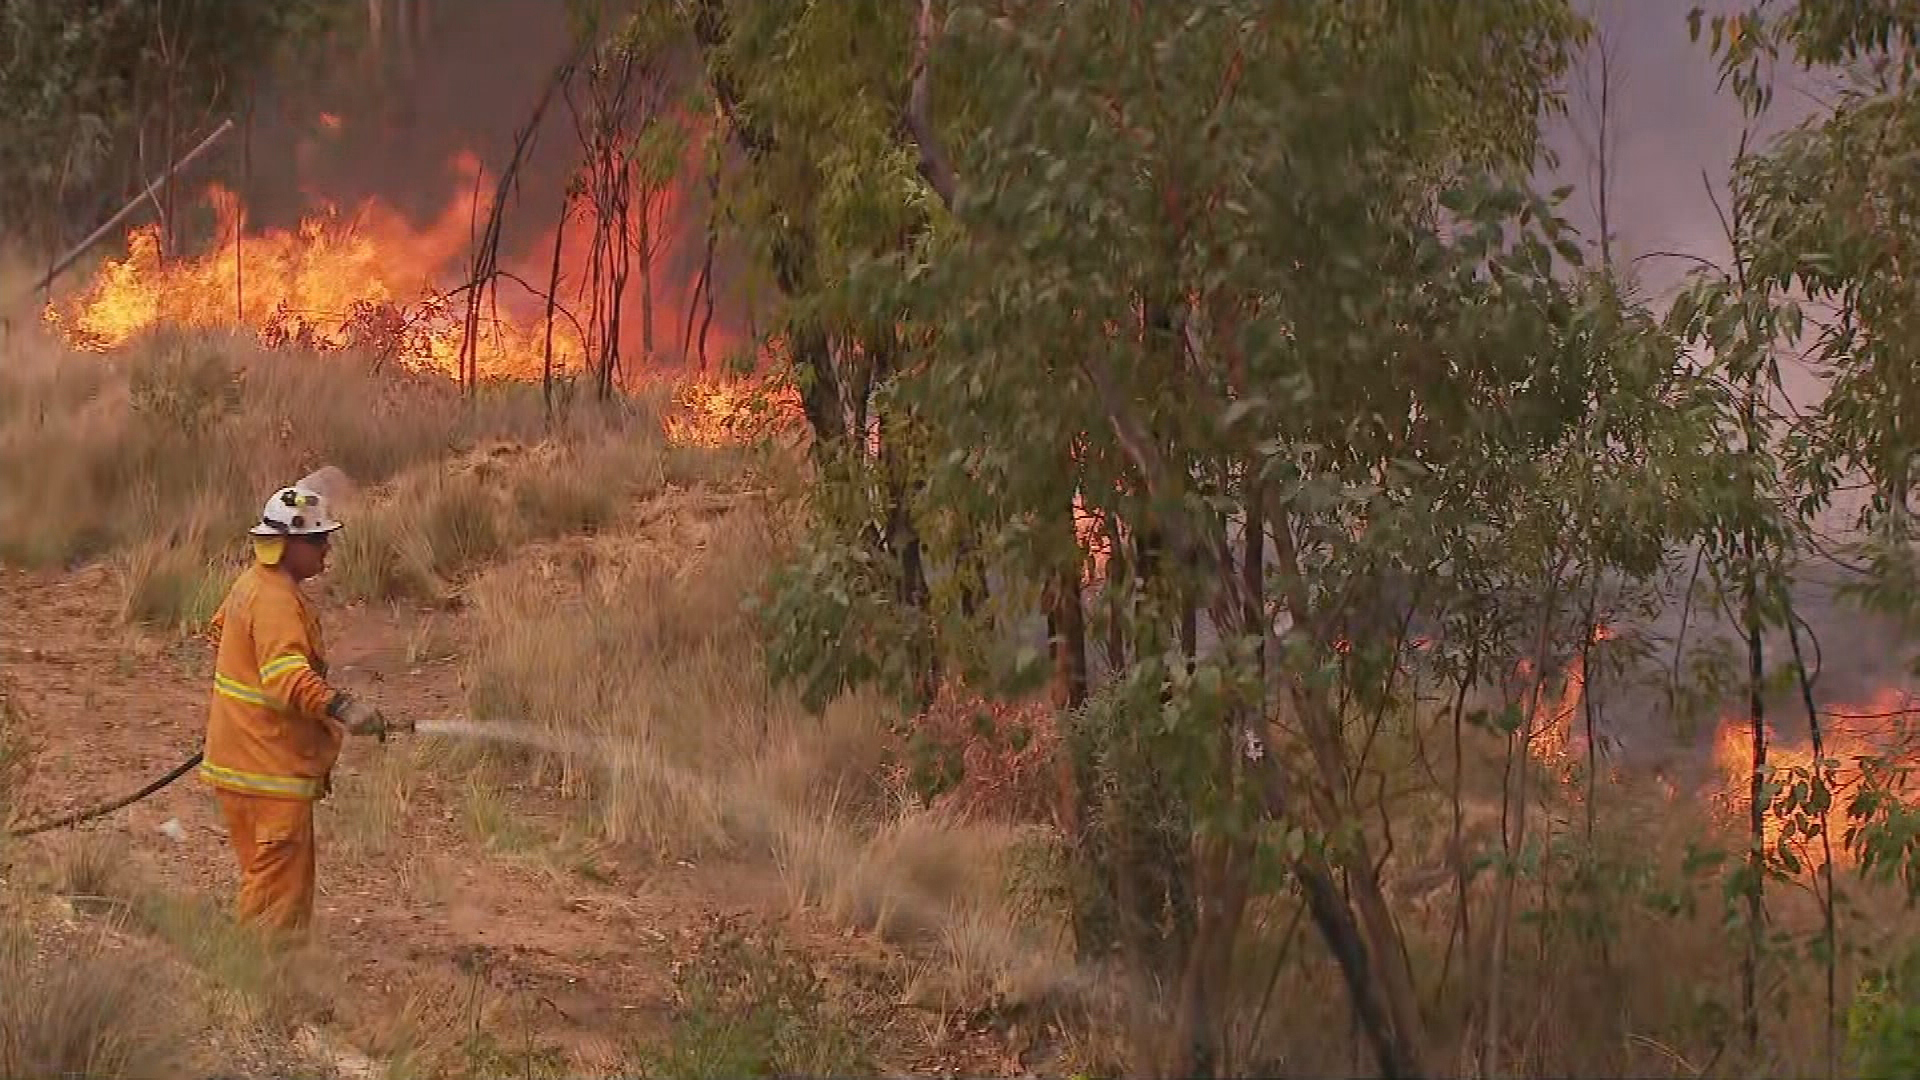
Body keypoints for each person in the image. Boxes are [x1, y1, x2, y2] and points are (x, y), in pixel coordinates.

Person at [201, 481, 399, 936]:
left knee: (266, 882)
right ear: (287, 544)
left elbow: (222, 636)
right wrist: (343, 707)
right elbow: (286, 676)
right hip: (267, 771)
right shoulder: (274, 599)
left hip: (244, 761)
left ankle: (263, 972)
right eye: (317, 539)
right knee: (276, 903)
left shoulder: (252, 584)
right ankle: (256, 977)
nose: (327, 548)